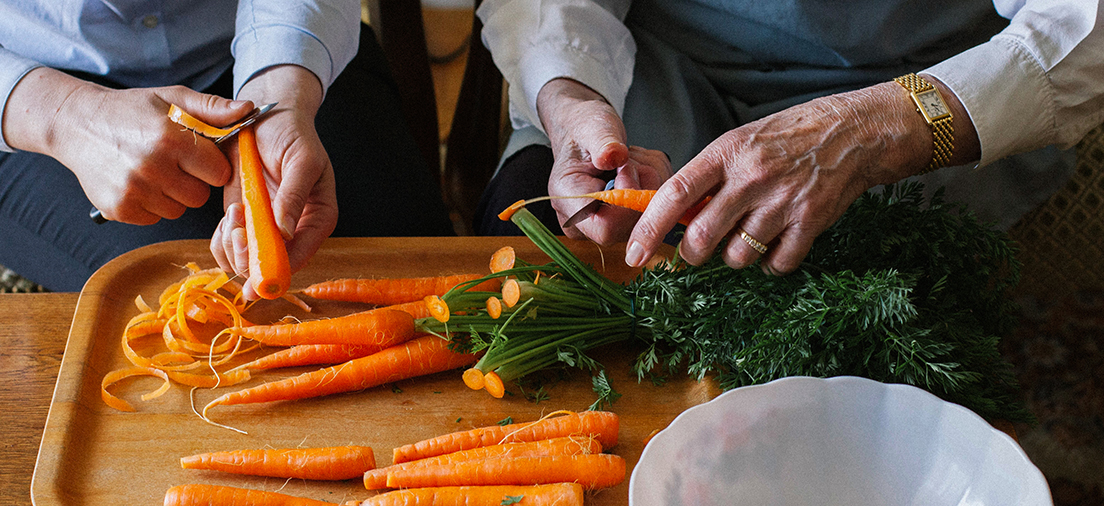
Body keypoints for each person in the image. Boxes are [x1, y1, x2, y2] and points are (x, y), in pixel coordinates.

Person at [0, 0, 454, 294]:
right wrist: (64, 115)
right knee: (189, 312)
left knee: (422, 290)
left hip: (271, 51)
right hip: (5, 87)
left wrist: (280, 91)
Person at [472, 0, 1103, 275]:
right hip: (652, 71)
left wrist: (863, 131)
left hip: (907, 100)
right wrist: (573, 101)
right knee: (526, 259)